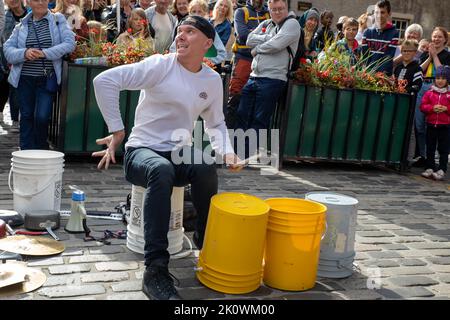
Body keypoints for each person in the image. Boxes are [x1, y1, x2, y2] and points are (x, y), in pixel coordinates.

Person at [92, 15, 243, 300]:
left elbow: (215, 124)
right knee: (161, 170)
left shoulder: (211, 80)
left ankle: (204, 237)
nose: (180, 36)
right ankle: (156, 270)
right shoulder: (160, 65)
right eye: (179, 31)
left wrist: (228, 152)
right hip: (142, 151)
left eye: (190, 32)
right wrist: (117, 129)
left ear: (208, 43)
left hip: (176, 151)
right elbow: (105, 81)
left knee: (205, 165)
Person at [3, 0, 76, 150]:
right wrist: (24, 53)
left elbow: (70, 43)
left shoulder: (58, 20)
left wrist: (44, 53)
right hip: (25, 79)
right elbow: (7, 50)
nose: (42, 2)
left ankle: (40, 150)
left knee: (42, 117)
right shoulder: (21, 25)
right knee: (27, 116)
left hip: (46, 78)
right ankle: (25, 151)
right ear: (28, 3)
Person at [234, 0, 300, 159]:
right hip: (254, 76)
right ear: (269, 10)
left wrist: (256, 49)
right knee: (242, 114)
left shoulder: (292, 24)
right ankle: (235, 153)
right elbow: (248, 39)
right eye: (274, 9)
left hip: (273, 79)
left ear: (286, 8)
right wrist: (269, 37)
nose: (277, 12)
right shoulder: (267, 24)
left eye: (280, 9)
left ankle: (245, 156)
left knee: (259, 119)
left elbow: (276, 45)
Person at [225, 0, 269, 128]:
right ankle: (228, 136)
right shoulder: (241, 12)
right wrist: (264, 35)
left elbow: (273, 36)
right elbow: (243, 35)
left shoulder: (268, 14)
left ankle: (243, 138)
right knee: (235, 97)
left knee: (253, 101)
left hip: (262, 61)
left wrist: (253, 33)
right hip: (243, 59)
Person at [414, 27, 450, 166]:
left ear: (445, 40)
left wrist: (435, 56)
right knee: (419, 124)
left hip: (438, 88)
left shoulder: (447, 56)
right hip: (423, 86)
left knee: (433, 125)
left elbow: (443, 73)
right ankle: (422, 155)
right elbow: (419, 70)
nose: (436, 39)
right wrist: (429, 56)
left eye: (439, 37)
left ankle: (432, 158)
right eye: (434, 36)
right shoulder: (425, 53)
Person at [420, 66, 450, 181]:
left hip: (445, 126)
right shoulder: (429, 93)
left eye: (443, 78)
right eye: (438, 78)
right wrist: (432, 108)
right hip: (431, 124)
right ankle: (430, 167)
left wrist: (446, 109)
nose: (440, 80)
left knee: (443, 149)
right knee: (430, 147)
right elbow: (423, 106)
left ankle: (442, 169)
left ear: (447, 80)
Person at [1, 0, 27, 121]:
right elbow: (5, 40)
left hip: (31, 57)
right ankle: (15, 121)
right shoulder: (6, 17)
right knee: (15, 91)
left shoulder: (31, 13)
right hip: (13, 60)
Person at [360, 0, 399, 76]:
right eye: (377, 12)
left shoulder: (394, 33)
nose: (379, 15)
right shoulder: (367, 33)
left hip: (384, 75)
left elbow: (388, 57)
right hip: (368, 75)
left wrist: (379, 75)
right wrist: (368, 73)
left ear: (389, 13)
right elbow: (365, 56)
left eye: (382, 12)